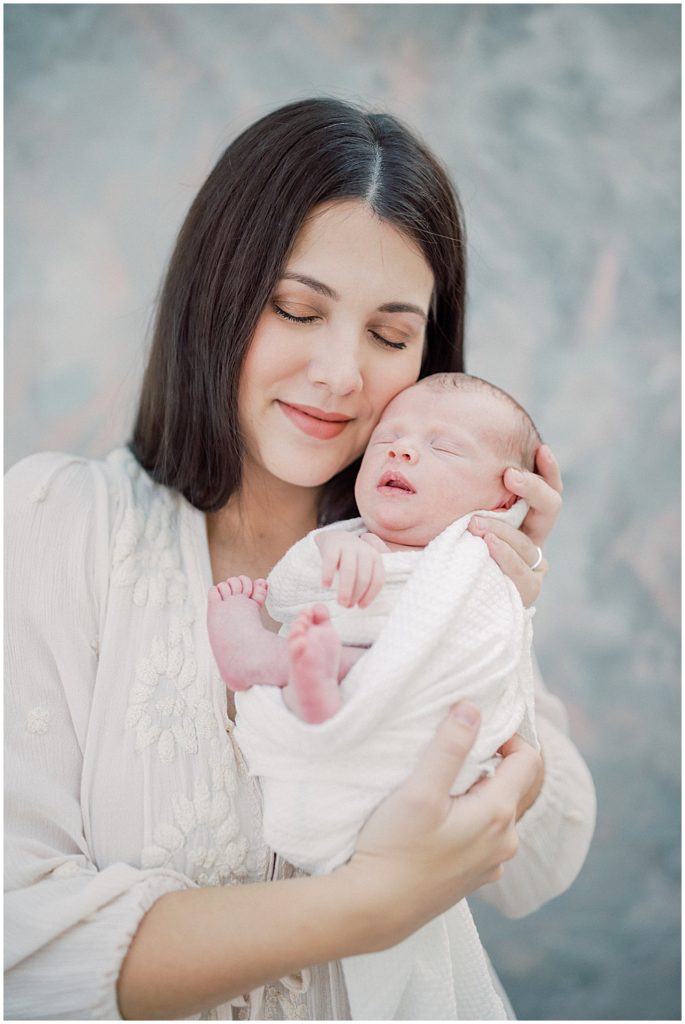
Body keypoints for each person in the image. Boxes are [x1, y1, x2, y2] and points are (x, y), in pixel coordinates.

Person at [5, 98, 595, 1021]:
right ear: (219, 294)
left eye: (390, 337)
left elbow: (541, 864)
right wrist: (365, 906)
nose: (340, 374)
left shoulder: (429, 561)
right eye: (295, 309)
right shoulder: (57, 525)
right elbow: (19, 949)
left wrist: (494, 599)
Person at [207, 371, 540, 727]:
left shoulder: (486, 564)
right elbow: (287, 591)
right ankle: (264, 656)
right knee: (329, 661)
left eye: (443, 447)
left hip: (424, 726)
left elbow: (499, 668)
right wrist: (335, 549)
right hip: (340, 687)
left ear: (506, 499)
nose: (401, 449)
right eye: (386, 439)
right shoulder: (346, 537)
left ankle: (308, 681)